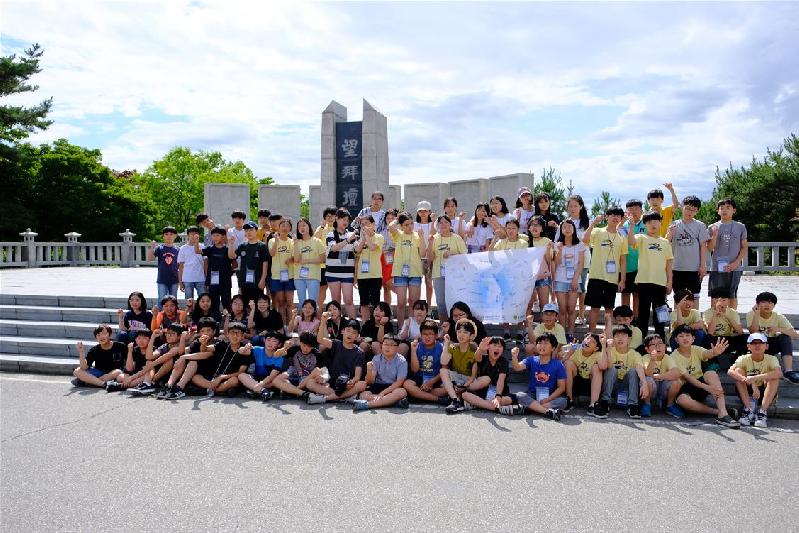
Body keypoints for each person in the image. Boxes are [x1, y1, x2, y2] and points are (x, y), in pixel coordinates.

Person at [669, 325, 739, 427]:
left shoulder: (696, 349)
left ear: (693, 339)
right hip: (686, 387)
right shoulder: (673, 356)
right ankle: (718, 412)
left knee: (711, 373)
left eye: (688, 335)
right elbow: (688, 378)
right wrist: (708, 388)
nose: (685, 338)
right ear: (676, 340)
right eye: (681, 336)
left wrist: (714, 352)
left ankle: (723, 413)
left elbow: (707, 354)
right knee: (682, 400)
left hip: (700, 384)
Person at [626, 210, 673, 341]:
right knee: (643, 313)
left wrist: (669, 282)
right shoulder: (641, 238)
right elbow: (631, 241)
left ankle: (660, 340)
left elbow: (669, 263)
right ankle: (642, 341)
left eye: (656, 221)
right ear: (645, 224)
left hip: (661, 283)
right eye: (649, 222)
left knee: (661, 314)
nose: (653, 224)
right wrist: (631, 226)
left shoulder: (665, 242)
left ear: (660, 223)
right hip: (644, 282)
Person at [582, 206, 628, 332]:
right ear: (607, 217)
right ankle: (591, 334)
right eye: (612, 215)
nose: (615, 217)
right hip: (596, 276)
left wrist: (622, 280)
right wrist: (593, 223)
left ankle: (608, 336)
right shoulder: (598, 231)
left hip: (612, 278)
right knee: (594, 307)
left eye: (618, 215)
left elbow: (623, 259)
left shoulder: (622, 236)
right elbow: (585, 240)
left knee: (609, 308)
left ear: (621, 218)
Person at [728, 332, 783, 428]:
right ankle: (748, 410)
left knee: (774, 378)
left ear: (766, 346)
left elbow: (779, 373)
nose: (757, 345)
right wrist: (750, 382)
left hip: (764, 392)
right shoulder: (743, 358)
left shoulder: (771, 359)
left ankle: (762, 412)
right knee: (738, 371)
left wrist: (754, 378)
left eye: (761, 343)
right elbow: (730, 372)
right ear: (748, 346)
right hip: (748, 391)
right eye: (753, 343)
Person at [507, 335, 567, 421]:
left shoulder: (558, 364)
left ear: (553, 348)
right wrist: (514, 357)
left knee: (563, 401)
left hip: (550, 396)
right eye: (539, 343)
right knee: (520, 395)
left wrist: (548, 399)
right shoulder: (531, 360)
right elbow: (517, 367)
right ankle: (547, 411)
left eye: (545, 343)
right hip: (532, 395)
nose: (542, 346)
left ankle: (531, 407)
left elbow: (561, 387)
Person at [310, 315, 367, 403]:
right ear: (342, 331)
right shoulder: (336, 344)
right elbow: (320, 339)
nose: (350, 334)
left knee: (362, 385)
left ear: (357, 336)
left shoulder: (359, 352)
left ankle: (325, 398)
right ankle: (344, 397)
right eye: (348, 330)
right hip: (332, 382)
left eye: (354, 332)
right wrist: (323, 322)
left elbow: (357, 376)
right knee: (310, 383)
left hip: (347, 385)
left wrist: (351, 382)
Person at [158, 317, 219, 399]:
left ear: (214, 331)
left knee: (191, 361)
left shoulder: (218, 342)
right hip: (195, 372)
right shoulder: (197, 341)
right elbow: (185, 351)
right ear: (199, 332)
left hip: (210, 372)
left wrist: (183, 357)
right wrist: (182, 340)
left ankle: (179, 387)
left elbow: (206, 355)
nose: (206, 333)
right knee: (182, 359)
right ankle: (169, 385)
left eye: (208, 330)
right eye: (203, 331)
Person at [188, 321, 253, 397]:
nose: (235, 336)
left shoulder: (245, 350)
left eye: (238, 333)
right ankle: (213, 390)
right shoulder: (223, 344)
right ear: (227, 334)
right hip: (215, 376)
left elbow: (241, 372)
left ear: (242, 336)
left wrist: (222, 377)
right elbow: (205, 349)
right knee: (196, 377)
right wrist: (203, 343)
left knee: (234, 381)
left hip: (229, 377)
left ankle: (207, 390)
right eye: (232, 333)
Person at [746, 291, 799, 383]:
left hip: (772, 344)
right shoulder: (752, 314)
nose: (767, 305)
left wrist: (778, 329)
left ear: (774, 305)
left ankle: (788, 371)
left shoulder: (778, 316)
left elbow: (794, 334)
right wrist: (756, 314)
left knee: (785, 337)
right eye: (763, 302)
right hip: (757, 345)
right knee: (753, 337)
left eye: (770, 302)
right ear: (757, 304)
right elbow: (753, 331)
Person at [596, 325, 648, 419]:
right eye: (617, 336)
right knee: (611, 369)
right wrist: (608, 350)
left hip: (627, 386)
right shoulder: (609, 350)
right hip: (612, 384)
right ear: (613, 338)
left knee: (633, 371)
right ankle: (605, 402)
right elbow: (608, 367)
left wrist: (644, 383)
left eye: (623, 335)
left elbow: (639, 368)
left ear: (629, 339)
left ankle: (633, 405)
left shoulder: (635, 354)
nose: (620, 338)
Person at [666, 195, 708, 309]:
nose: (690, 212)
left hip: (694, 268)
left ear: (697, 211)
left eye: (693, 210)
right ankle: (677, 319)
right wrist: (670, 233)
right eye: (688, 208)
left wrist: (703, 265)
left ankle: (695, 318)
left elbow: (703, 246)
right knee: (678, 296)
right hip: (677, 267)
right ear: (682, 207)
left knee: (694, 296)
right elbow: (666, 242)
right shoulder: (674, 224)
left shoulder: (700, 225)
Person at [556, 195, 591, 326]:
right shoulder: (564, 223)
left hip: (582, 260)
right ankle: (565, 317)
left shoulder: (586, 222)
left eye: (575, 206)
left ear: (581, 207)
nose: (573, 208)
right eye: (570, 206)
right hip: (565, 263)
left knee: (580, 288)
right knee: (567, 289)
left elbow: (588, 240)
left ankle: (581, 315)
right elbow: (557, 240)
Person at [351, 334, 410, 411]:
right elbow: (370, 382)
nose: (387, 347)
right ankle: (393, 402)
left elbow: (399, 382)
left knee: (402, 392)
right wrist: (369, 371)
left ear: (397, 348)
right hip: (378, 385)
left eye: (391, 345)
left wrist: (383, 393)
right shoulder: (376, 358)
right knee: (363, 395)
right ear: (382, 345)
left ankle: (367, 404)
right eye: (385, 344)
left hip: (393, 386)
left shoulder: (402, 361)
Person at [708, 198, 748, 310]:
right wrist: (714, 236)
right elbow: (709, 248)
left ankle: (732, 318)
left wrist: (736, 263)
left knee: (732, 295)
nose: (724, 210)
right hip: (716, 267)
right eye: (722, 208)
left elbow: (744, 247)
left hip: (735, 267)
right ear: (718, 211)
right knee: (715, 295)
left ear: (734, 210)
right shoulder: (712, 227)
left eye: (728, 208)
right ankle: (715, 319)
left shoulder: (740, 226)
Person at [389, 212, 427, 326]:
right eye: (406, 224)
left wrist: (421, 237)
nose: (410, 226)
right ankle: (401, 329)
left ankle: (411, 328)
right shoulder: (398, 235)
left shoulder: (417, 235)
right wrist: (398, 218)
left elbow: (423, 253)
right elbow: (391, 227)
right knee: (401, 303)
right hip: (400, 273)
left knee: (413, 302)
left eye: (411, 223)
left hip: (415, 273)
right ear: (401, 226)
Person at [459, 336, 513, 413]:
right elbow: (477, 357)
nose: (497, 348)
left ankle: (478, 404)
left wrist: (498, 397)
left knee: (508, 400)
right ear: (488, 347)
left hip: (498, 392)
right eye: (494, 345)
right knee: (465, 395)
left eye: (500, 346)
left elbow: (501, 380)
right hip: (482, 391)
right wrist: (480, 348)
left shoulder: (504, 362)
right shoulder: (484, 359)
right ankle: (495, 408)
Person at [428, 214, 466, 321]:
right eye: (441, 222)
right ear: (438, 225)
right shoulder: (435, 238)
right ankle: (443, 326)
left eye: (446, 222)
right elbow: (430, 258)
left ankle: (455, 326)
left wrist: (452, 253)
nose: (443, 224)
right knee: (441, 303)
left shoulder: (457, 238)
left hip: (454, 275)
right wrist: (430, 244)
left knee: (454, 302)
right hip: (438, 274)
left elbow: (464, 255)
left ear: (450, 224)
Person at [553, 220, 586, 340]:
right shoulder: (557, 245)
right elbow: (556, 264)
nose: (567, 229)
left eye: (569, 226)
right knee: (562, 308)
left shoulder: (580, 245)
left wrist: (575, 279)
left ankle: (571, 333)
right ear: (561, 230)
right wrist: (559, 251)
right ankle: (562, 334)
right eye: (564, 227)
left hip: (575, 280)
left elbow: (581, 264)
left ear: (574, 229)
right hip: (560, 279)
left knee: (571, 308)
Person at [403, 320, 448, 403]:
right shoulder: (417, 346)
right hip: (420, 377)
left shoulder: (441, 347)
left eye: (430, 334)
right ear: (421, 335)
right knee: (407, 384)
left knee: (447, 388)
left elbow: (444, 369)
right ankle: (437, 399)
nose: (427, 337)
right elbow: (415, 370)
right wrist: (413, 351)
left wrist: (431, 382)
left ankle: (419, 395)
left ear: (436, 335)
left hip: (436, 378)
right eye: (424, 334)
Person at [439, 320, 479, 412]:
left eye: (465, 332)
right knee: (443, 371)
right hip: (456, 378)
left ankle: (460, 398)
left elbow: (473, 375)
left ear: (471, 336)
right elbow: (443, 362)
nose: (461, 335)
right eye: (459, 332)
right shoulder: (453, 347)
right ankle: (455, 400)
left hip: (469, 380)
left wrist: (463, 386)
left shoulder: (474, 349)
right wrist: (446, 344)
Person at [325, 208, 358, 318]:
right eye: (343, 219)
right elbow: (334, 248)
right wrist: (348, 240)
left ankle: (353, 324)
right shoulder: (330, 234)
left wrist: (363, 236)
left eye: (347, 220)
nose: (345, 222)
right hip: (332, 272)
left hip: (347, 273)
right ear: (337, 219)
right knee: (336, 301)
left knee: (349, 300)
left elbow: (357, 250)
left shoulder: (352, 234)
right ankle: (337, 325)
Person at [71, 325, 127, 389]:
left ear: (110, 335)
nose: (101, 337)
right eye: (98, 335)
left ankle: (88, 381)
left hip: (114, 374)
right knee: (77, 371)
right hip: (99, 373)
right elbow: (84, 367)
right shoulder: (94, 350)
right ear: (96, 338)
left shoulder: (120, 346)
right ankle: (103, 384)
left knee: (118, 372)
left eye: (104, 334)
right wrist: (81, 352)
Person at [228, 221, 268, 309]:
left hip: (257, 281)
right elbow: (232, 256)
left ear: (256, 231)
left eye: (251, 230)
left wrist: (263, 280)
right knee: (245, 305)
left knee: (257, 306)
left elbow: (265, 264)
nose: (248, 232)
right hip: (244, 281)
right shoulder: (243, 246)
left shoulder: (262, 246)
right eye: (246, 230)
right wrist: (231, 244)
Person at [238, 331, 287, 400]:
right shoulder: (258, 349)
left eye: (274, 341)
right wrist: (245, 348)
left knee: (281, 378)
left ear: (279, 344)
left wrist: (259, 385)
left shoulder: (279, 357)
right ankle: (263, 391)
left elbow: (271, 376)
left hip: (270, 381)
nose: (270, 343)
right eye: (268, 340)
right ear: (264, 340)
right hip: (256, 379)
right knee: (241, 375)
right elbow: (240, 351)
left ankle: (256, 390)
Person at [562, 333, 604, 415]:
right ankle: (569, 400)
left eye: (592, 341)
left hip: (590, 384)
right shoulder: (575, 349)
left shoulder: (598, 354)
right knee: (568, 363)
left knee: (597, 368)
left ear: (596, 348)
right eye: (587, 339)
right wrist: (568, 354)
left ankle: (593, 405)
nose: (588, 341)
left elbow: (603, 366)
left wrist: (605, 347)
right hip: (575, 382)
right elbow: (560, 364)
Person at [640, 334, 680, 417]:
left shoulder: (667, 357)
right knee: (647, 381)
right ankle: (647, 404)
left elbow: (676, 373)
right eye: (653, 344)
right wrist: (653, 360)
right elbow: (648, 373)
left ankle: (670, 405)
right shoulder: (646, 357)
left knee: (676, 382)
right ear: (647, 349)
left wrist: (656, 376)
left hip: (663, 388)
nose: (657, 347)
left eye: (660, 343)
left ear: (665, 346)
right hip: (652, 390)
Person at [703, 288, 747, 362]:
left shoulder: (732, 312)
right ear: (712, 300)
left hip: (728, 338)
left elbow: (740, 331)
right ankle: (713, 362)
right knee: (706, 338)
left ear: (728, 301)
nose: (720, 302)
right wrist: (715, 315)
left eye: (723, 300)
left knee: (744, 338)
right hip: (715, 339)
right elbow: (710, 332)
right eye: (717, 300)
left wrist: (727, 316)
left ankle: (737, 361)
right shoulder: (707, 313)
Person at [619, 199, 645, 320]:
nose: (633, 211)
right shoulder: (624, 225)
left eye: (636, 208)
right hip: (626, 265)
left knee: (637, 294)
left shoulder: (646, 223)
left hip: (641, 266)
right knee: (625, 293)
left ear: (641, 210)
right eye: (630, 209)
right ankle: (625, 319)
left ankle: (636, 319)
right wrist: (621, 223)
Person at [292, 217, 326, 308]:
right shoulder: (296, 242)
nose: (302, 228)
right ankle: (302, 317)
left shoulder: (317, 241)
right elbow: (296, 260)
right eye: (299, 226)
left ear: (309, 227)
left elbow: (323, 259)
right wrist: (295, 243)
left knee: (312, 302)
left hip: (313, 276)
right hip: (299, 277)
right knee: (301, 303)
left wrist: (308, 261)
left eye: (304, 225)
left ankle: (313, 317)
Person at [198, 226, 233, 313]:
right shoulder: (210, 249)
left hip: (225, 282)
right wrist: (196, 242)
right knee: (214, 303)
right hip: (213, 282)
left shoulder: (227, 250)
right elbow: (197, 251)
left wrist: (227, 271)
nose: (215, 238)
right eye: (213, 236)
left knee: (226, 303)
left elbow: (235, 264)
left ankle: (227, 318)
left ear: (223, 237)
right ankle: (215, 318)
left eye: (217, 235)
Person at [268, 217, 295, 325]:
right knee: (280, 302)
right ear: (278, 228)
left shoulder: (292, 241)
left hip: (290, 275)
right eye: (282, 226)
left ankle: (291, 325)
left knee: (290, 302)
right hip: (276, 276)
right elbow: (272, 253)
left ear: (290, 229)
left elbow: (296, 257)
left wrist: (291, 259)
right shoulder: (272, 240)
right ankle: (283, 325)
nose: (285, 228)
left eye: (287, 226)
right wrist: (276, 241)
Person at [354, 215, 385, 309]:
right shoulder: (359, 239)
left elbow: (372, 248)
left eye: (366, 223)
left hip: (375, 275)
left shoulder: (379, 237)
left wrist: (367, 236)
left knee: (375, 303)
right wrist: (363, 239)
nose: (364, 226)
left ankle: (374, 318)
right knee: (364, 303)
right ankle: (365, 319)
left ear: (373, 224)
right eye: (362, 224)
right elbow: (357, 251)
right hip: (362, 275)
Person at [525, 216, 554, 314]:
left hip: (543, 276)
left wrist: (548, 250)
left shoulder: (547, 241)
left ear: (542, 229)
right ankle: (526, 324)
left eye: (538, 225)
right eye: (532, 225)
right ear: (529, 228)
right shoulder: (524, 241)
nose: (535, 227)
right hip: (528, 278)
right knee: (528, 305)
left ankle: (543, 323)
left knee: (544, 305)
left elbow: (549, 261)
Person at [147, 226, 179, 305]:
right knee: (161, 301)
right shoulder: (159, 248)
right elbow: (150, 258)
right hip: (162, 279)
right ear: (163, 236)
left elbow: (180, 265)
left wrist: (181, 280)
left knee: (173, 301)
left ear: (175, 236)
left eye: (171, 234)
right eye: (166, 234)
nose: (169, 236)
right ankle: (161, 313)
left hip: (174, 279)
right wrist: (151, 248)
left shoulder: (178, 249)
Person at [414, 200, 436, 303]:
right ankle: (418, 306)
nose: (423, 213)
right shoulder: (414, 225)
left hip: (430, 257)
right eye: (420, 211)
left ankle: (429, 306)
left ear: (429, 212)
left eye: (425, 211)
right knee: (417, 284)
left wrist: (433, 222)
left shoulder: (434, 223)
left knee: (429, 284)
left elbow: (433, 235)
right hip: (417, 258)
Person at [177, 226, 206, 300]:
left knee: (203, 299)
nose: (194, 235)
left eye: (196, 233)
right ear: (188, 235)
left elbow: (206, 264)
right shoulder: (183, 248)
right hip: (187, 279)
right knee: (189, 301)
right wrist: (180, 282)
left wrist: (207, 278)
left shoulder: (203, 247)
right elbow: (181, 266)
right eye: (191, 234)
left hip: (201, 278)